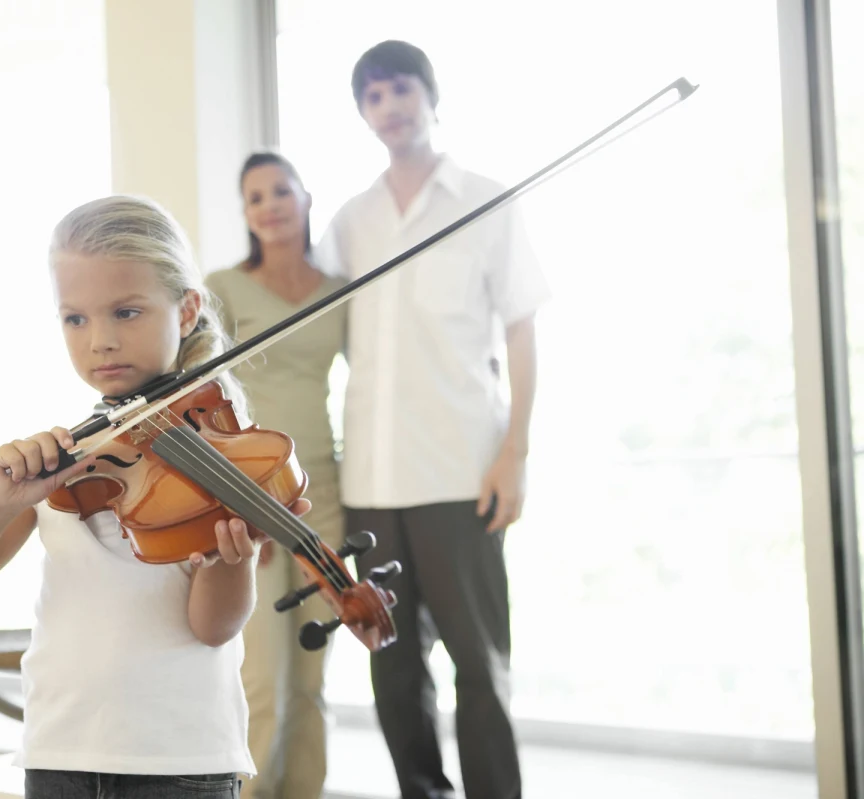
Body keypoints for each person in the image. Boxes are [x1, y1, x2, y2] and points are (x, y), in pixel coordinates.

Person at [0, 194, 313, 799]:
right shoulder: (63, 461)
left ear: (185, 311)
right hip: (59, 751)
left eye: (125, 313)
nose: (99, 341)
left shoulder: (219, 456)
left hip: (180, 759)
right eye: (74, 319)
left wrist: (228, 564)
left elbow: (212, 629)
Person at [315, 40, 550, 799]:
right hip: (372, 477)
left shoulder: (487, 198)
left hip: (459, 466)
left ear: (431, 96)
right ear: (362, 113)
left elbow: (520, 327)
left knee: (478, 664)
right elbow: (313, 325)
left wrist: (515, 449)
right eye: (374, 96)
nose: (390, 107)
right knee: (391, 660)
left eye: (402, 90)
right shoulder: (350, 221)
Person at [205, 152, 347, 799]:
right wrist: (230, 496)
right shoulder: (224, 289)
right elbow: (208, 398)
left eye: (280, 191)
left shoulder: (337, 290)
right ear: (246, 214)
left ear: (305, 198)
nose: (269, 205)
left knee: (314, 676)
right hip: (253, 493)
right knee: (263, 676)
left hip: (323, 489)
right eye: (254, 197)